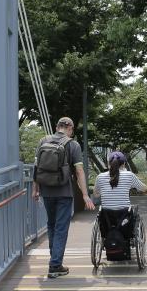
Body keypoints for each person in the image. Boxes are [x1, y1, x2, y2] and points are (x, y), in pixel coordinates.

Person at [32, 117, 95, 279]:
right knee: (61, 228)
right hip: (64, 192)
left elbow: (36, 167)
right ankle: (55, 265)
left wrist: (35, 189)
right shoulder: (72, 144)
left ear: (56, 127)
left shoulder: (43, 141)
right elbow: (79, 171)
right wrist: (85, 195)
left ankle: (55, 261)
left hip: (46, 190)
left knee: (51, 225)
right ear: (70, 128)